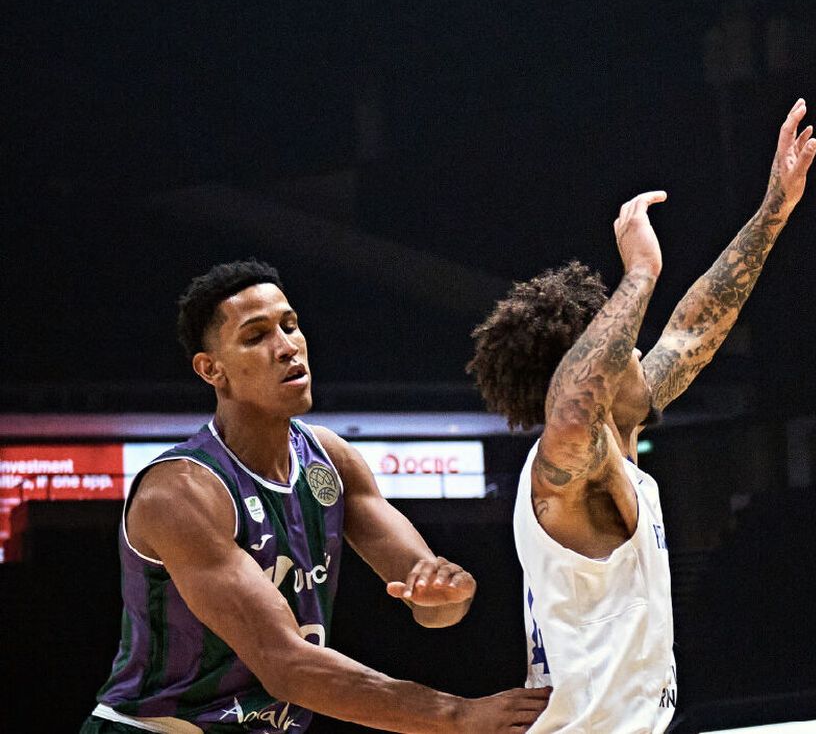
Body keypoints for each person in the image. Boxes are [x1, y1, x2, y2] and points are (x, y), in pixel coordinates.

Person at [467, 101, 816, 732]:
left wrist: (774, 210)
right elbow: (573, 407)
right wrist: (641, 272)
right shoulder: (565, 472)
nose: (636, 349)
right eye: (618, 345)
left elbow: (694, 329)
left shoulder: (611, 445)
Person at [83, 260, 548, 733]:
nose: (287, 347)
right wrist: (457, 715)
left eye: (290, 325)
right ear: (211, 370)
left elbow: (431, 605)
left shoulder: (331, 459)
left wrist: (447, 595)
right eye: (256, 336)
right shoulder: (182, 491)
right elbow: (287, 668)